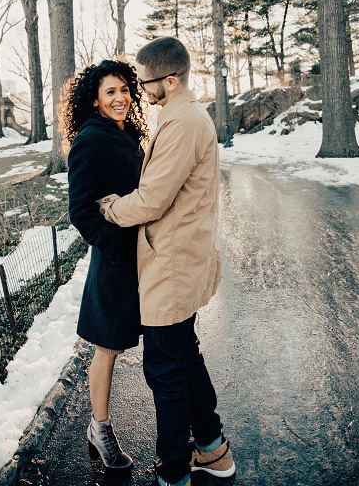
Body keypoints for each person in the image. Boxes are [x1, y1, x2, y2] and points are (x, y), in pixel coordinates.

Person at [97, 37, 233, 486]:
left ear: (170, 81)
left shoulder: (182, 123)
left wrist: (111, 207)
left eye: (145, 81)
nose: (140, 90)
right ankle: (212, 450)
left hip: (172, 265)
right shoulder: (182, 116)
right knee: (185, 358)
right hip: (179, 257)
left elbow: (153, 199)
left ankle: (174, 470)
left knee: (164, 370)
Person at [64, 59, 149, 471]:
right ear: (95, 100)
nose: (120, 98)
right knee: (108, 349)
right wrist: (117, 246)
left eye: (124, 90)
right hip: (116, 262)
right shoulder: (90, 140)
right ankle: (99, 429)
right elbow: (80, 210)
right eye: (110, 92)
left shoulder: (129, 133)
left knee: (166, 344)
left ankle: (180, 426)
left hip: (147, 259)